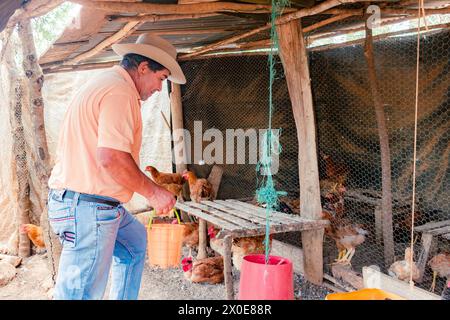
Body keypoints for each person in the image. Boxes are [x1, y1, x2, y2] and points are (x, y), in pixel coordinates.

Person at [47, 33, 186, 300]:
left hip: (87, 202)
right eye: (161, 78)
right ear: (143, 68)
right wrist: (154, 193)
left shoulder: (105, 83)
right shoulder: (120, 92)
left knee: (134, 244)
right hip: (87, 207)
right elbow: (111, 157)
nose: (160, 88)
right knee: (79, 294)